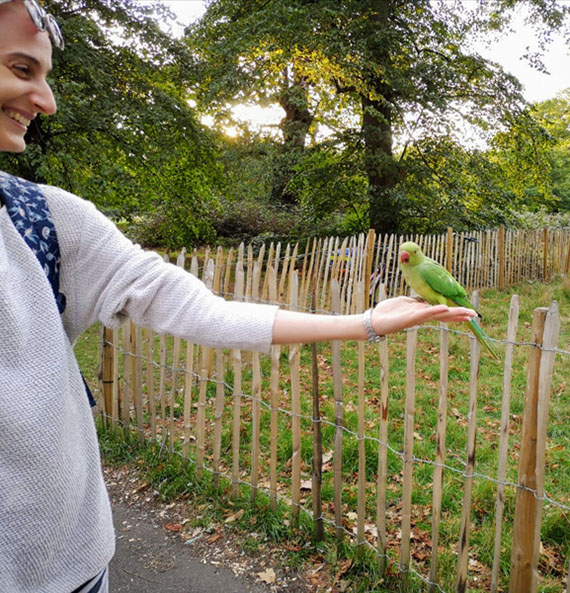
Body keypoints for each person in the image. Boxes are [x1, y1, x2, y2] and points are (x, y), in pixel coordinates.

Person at [0, 2, 476, 592]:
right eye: (22, 70)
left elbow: (204, 310)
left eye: (45, 75)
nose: (45, 100)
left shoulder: (45, 220)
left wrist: (364, 323)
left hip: (69, 563)